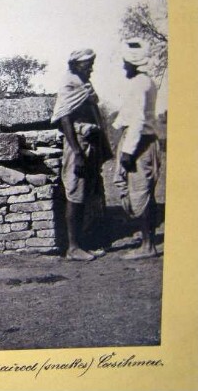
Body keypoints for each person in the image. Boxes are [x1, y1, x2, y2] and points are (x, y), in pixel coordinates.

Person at [51, 49, 113, 261]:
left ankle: (83, 244)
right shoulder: (69, 83)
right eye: (88, 63)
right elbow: (65, 118)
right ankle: (73, 247)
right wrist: (77, 152)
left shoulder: (82, 82)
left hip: (90, 143)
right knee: (75, 195)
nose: (91, 67)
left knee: (86, 193)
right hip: (79, 145)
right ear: (76, 64)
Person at [113, 38, 160, 259]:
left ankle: (148, 246)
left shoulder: (141, 84)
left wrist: (127, 152)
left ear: (133, 64)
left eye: (125, 63)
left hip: (140, 144)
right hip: (139, 142)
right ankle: (146, 239)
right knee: (141, 193)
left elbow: (139, 121)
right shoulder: (142, 83)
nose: (123, 67)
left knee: (141, 194)